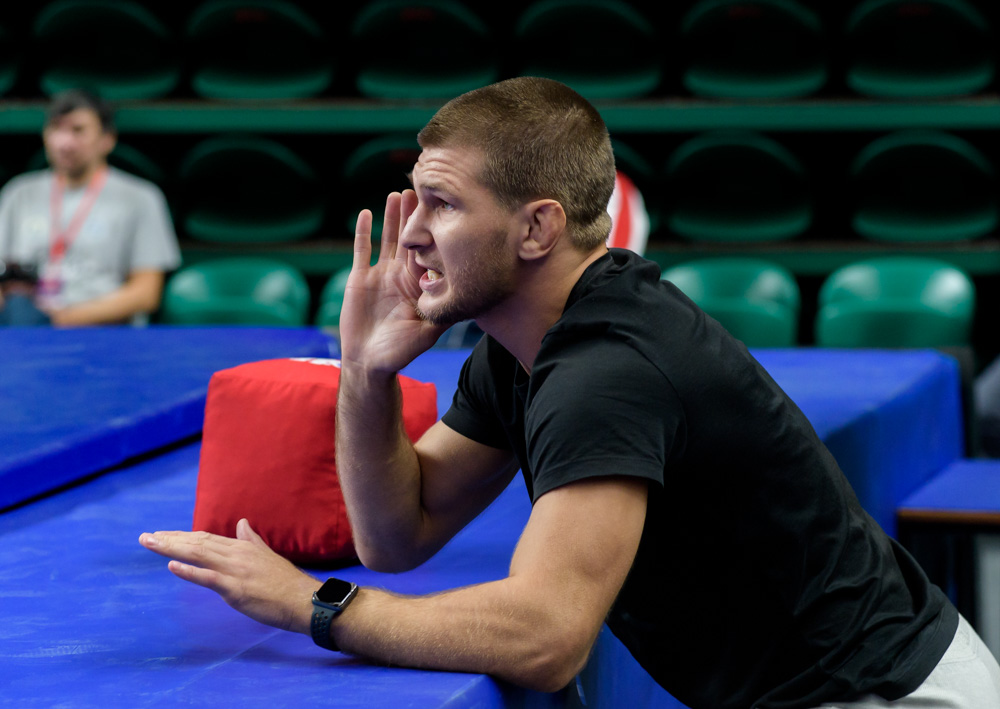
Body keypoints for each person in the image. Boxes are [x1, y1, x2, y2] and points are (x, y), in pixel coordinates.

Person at [139, 77, 1000, 708]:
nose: (413, 236)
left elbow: (546, 636)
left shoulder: (608, 368)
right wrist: (366, 374)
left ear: (537, 226)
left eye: (440, 203)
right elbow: (399, 532)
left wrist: (311, 604)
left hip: (891, 697)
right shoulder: (526, 341)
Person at [0, 89, 180, 326]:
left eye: (78, 130)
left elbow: (146, 294)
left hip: (102, 330)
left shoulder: (140, 197)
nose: (65, 142)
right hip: (25, 327)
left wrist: (61, 320)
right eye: (57, 129)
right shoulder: (18, 193)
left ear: (107, 139)